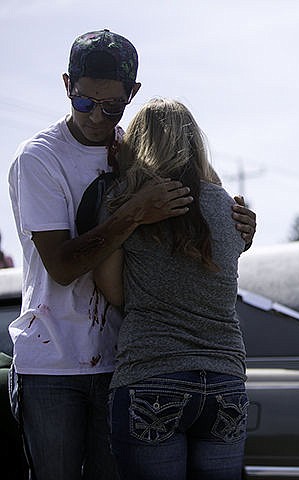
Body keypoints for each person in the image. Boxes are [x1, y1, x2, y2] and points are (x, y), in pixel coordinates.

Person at [7, 29, 256, 480]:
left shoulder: (138, 154)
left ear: (132, 96)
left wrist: (240, 228)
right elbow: (62, 268)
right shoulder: (39, 159)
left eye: (112, 107)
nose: (98, 118)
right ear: (67, 86)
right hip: (54, 364)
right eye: (85, 102)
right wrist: (134, 214)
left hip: (129, 363)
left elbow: (202, 217)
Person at [88, 97, 248, 480]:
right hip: (226, 381)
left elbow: (112, 291)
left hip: (152, 376)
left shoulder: (125, 204)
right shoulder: (230, 208)